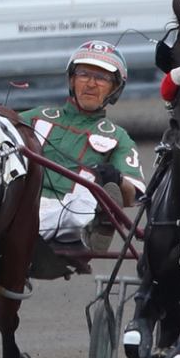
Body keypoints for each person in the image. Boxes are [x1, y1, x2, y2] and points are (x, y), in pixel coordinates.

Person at [26, 41, 144, 252]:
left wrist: (116, 179)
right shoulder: (35, 117)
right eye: (83, 74)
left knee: (83, 204)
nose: (91, 83)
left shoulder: (118, 137)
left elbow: (133, 194)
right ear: (72, 79)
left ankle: (99, 225)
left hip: (69, 218)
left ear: (115, 88)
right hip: (22, 204)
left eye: (101, 78)